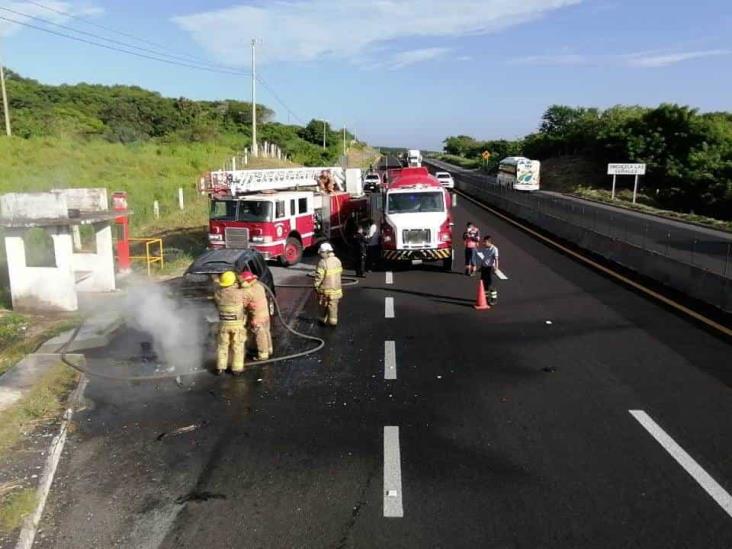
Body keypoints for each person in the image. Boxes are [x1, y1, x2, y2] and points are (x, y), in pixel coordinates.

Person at [214, 271, 246, 376]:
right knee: (237, 346)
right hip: (237, 325)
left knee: (222, 346)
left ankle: (220, 367)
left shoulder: (218, 293)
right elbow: (246, 297)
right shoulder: (239, 293)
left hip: (223, 325)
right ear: (234, 281)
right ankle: (236, 369)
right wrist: (241, 281)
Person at [239, 270, 273, 361]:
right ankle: (269, 349)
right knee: (266, 332)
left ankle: (263, 355)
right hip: (265, 315)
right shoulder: (259, 286)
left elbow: (242, 305)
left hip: (257, 318)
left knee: (260, 336)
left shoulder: (247, 291)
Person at [314, 242, 343, 326]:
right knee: (333, 306)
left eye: (322, 253)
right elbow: (339, 273)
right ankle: (333, 322)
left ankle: (322, 320)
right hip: (336, 289)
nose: (320, 254)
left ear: (326, 252)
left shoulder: (322, 262)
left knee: (323, 305)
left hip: (325, 290)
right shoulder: (338, 260)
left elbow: (319, 277)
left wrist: (316, 286)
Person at [471, 236, 500, 305]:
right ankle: (486, 298)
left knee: (490, 284)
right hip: (484, 268)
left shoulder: (494, 249)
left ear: (489, 242)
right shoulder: (485, 249)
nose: (483, 243)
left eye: (485, 242)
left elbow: (496, 259)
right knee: (484, 284)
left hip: (489, 268)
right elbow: (484, 259)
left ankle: (493, 299)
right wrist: (481, 267)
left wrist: (496, 268)